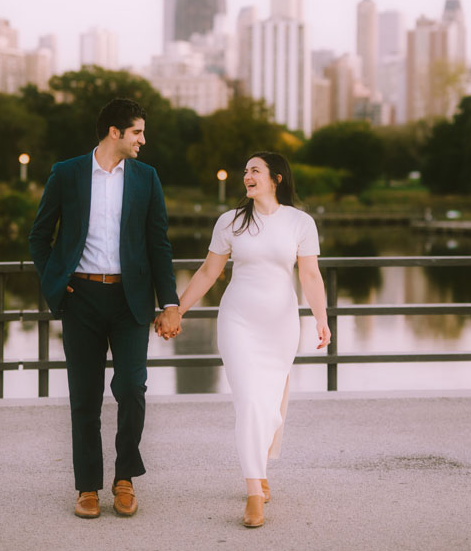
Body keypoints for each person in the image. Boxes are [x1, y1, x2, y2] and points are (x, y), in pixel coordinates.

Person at [28, 98, 180, 519]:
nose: (142, 141)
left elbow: (159, 244)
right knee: (85, 398)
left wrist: (170, 303)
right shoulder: (67, 173)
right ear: (115, 132)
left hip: (131, 300)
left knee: (132, 388)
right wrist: (56, 285)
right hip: (81, 300)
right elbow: (40, 237)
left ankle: (125, 478)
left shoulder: (147, 178)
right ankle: (87, 487)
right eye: (137, 132)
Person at [167, 151, 330, 528]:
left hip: (281, 324)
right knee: (249, 402)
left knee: (270, 405)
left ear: (276, 178)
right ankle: (254, 493)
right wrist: (178, 309)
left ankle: (259, 467)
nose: (247, 177)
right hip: (238, 321)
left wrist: (321, 319)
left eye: (255, 171)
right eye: (245, 172)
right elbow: (209, 273)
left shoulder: (300, 223)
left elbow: (310, 276)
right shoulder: (231, 222)